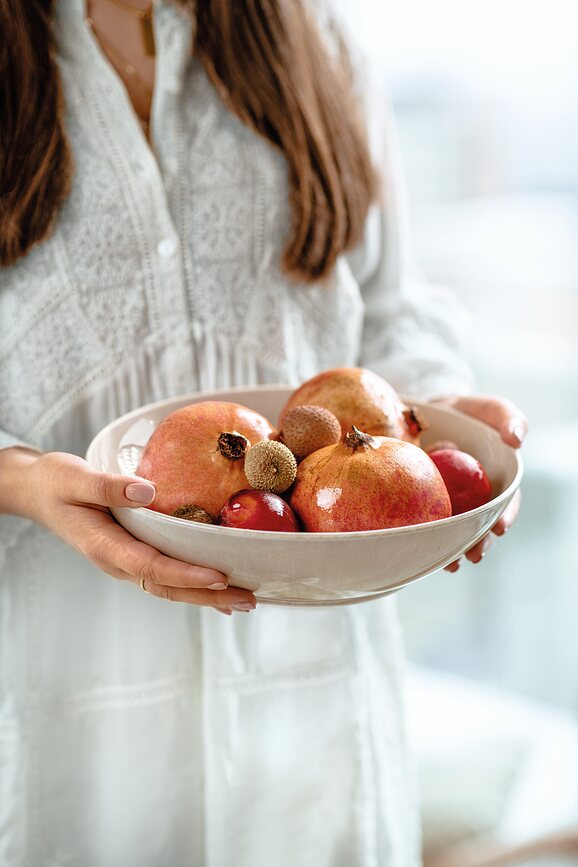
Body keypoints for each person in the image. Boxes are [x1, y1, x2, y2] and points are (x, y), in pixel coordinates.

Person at [0, 1, 526, 865]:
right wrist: (22, 480)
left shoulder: (315, 37)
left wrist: (448, 421)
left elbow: (392, 311)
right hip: (72, 712)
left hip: (317, 718)